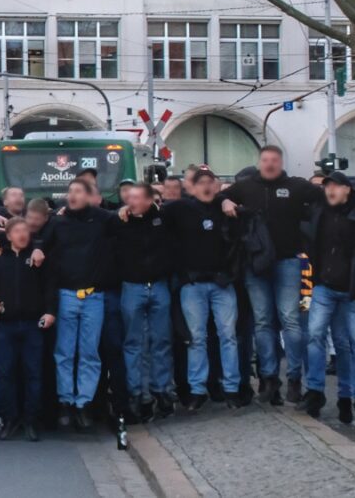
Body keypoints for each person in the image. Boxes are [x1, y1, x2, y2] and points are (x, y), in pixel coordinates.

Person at [222, 145, 321, 404]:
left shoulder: (297, 186)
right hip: (255, 265)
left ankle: (294, 378)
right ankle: (268, 378)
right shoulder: (245, 187)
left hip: (288, 262)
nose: (269, 164)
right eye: (265, 160)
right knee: (263, 322)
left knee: (290, 320)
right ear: (259, 162)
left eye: (274, 160)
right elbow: (216, 197)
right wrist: (225, 199)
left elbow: (330, 196)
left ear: (281, 162)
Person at [303, 173, 355, 426]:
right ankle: (315, 392)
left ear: (347, 190)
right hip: (325, 287)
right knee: (316, 335)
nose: (330, 190)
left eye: (335, 186)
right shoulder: (318, 211)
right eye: (328, 186)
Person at [38, 177, 117, 430]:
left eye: (78, 191)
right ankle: (65, 401)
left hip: (93, 296)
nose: (71, 195)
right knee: (64, 352)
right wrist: (38, 249)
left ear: (90, 195)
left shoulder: (102, 219)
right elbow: (40, 241)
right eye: (69, 191)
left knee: (89, 353)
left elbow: (124, 222)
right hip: (66, 295)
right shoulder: (58, 222)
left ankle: (84, 402)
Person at [170, 168, 245, 411]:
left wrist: (225, 200)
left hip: (221, 283)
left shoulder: (226, 209)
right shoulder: (181, 208)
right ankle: (197, 390)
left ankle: (232, 388)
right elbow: (151, 208)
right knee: (196, 338)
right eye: (200, 182)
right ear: (191, 187)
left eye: (210, 182)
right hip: (192, 284)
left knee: (228, 336)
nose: (206, 187)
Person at [0, 218, 55, 441]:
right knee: (6, 374)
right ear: (8, 235)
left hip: (32, 324)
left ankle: (31, 420)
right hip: (4, 325)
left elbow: (49, 288)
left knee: (33, 373)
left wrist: (50, 311)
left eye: (25, 230)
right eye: (17, 231)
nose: (22, 234)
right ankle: (11, 418)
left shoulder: (38, 260)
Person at [114, 182, 175, 419]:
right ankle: (137, 392)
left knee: (161, 341)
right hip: (132, 286)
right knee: (134, 343)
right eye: (129, 197)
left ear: (149, 200)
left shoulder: (163, 220)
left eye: (137, 197)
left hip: (158, 285)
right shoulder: (120, 222)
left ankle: (162, 391)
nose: (131, 201)